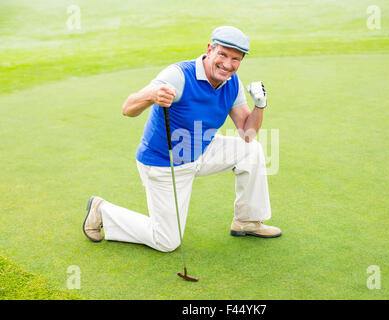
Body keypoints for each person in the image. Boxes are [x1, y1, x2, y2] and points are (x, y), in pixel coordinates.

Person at [82, 26, 281, 252]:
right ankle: (102, 211)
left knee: (251, 150)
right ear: (209, 50)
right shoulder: (178, 75)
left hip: (201, 149)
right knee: (166, 241)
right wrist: (152, 96)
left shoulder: (232, 84)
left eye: (235, 59)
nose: (228, 64)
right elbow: (128, 108)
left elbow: (247, 134)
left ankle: (247, 221)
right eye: (223, 55)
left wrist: (259, 106)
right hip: (165, 163)